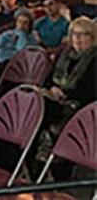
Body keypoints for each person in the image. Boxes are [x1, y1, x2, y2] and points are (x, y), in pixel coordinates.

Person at [39, 17, 97, 179]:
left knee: (45, 112)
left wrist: (64, 96)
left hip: (80, 105)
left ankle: (52, 158)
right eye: (74, 34)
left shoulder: (94, 58)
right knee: (37, 104)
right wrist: (52, 88)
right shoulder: (63, 56)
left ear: (92, 37)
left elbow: (89, 91)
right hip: (56, 98)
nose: (77, 38)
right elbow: (48, 78)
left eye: (83, 34)